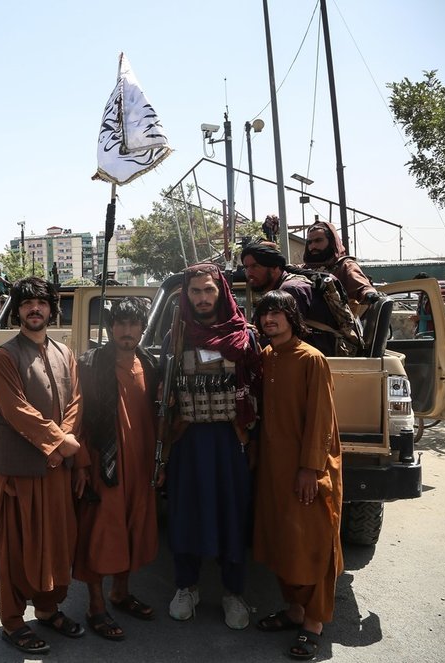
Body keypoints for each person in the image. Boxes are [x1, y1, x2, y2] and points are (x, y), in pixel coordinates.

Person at [0, 276, 86, 656]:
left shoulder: (65, 353)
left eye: (41, 303)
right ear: (17, 311)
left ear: (51, 308)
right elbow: (16, 411)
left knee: (56, 543)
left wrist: (64, 443)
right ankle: (13, 622)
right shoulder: (4, 356)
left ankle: (47, 610)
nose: (35, 309)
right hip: (21, 472)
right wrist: (60, 443)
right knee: (17, 548)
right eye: (27, 303)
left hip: (56, 470)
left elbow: (76, 400)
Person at [163, 263, 260, 630]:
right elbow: (167, 386)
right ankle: (186, 586)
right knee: (185, 513)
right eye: (195, 292)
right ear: (186, 296)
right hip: (187, 441)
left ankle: (234, 593)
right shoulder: (178, 336)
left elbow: (256, 386)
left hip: (230, 442)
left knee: (231, 515)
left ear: (221, 292)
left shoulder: (243, 336)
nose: (202, 298)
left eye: (208, 291)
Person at [252, 290, 343, 661]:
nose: (270, 319)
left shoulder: (312, 359)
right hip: (274, 469)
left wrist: (310, 468)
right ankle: (294, 611)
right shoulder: (268, 356)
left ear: (292, 317)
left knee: (312, 545)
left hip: (309, 470)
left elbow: (322, 419)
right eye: (264, 314)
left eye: (277, 313)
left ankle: (314, 624)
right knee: (282, 542)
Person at [73, 298, 160, 641]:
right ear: (111, 329)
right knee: (100, 533)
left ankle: (120, 593)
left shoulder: (150, 364)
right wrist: (80, 463)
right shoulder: (91, 364)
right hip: (103, 462)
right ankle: (95, 606)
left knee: (132, 529)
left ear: (142, 328)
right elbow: (75, 417)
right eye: (120, 325)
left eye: (133, 325)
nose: (127, 331)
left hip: (140, 465)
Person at [241, 242, 341, 356]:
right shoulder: (282, 288)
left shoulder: (290, 290)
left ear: (275, 267)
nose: (249, 273)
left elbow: (280, 337)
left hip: (314, 363)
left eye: (255, 266)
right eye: (246, 267)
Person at [302, 221, 380, 308]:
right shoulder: (306, 268)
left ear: (331, 241)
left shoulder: (344, 266)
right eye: (310, 242)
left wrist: (368, 294)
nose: (313, 246)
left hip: (336, 319)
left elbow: (361, 286)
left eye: (318, 240)